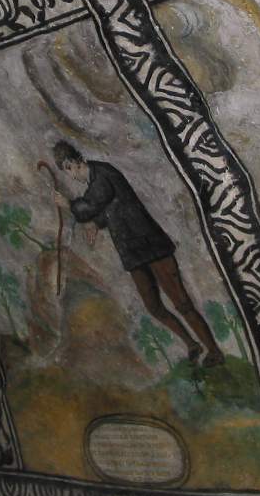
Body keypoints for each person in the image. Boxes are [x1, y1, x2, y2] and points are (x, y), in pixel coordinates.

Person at [51, 141, 225, 367]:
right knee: (153, 306)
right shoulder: (94, 183)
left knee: (181, 302)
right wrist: (96, 222)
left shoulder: (102, 173)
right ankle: (192, 344)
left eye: (67, 169)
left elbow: (93, 203)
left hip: (151, 246)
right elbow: (113, 208)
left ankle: (214, 351)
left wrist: (69, 205)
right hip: (132, 252)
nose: (70, 176)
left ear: (73, 162)